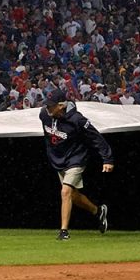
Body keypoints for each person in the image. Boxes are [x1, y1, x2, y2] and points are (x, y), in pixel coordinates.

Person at [40, 87, 113, 241]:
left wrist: (107, 159)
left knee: (65, 192)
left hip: (76, 159)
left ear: (61, 105)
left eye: (51, 105)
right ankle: (98, 211)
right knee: (73, 195)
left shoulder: (77, 119)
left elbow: (96, 137)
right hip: (58, 159)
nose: (47, 108)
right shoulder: (44, 115)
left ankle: (64, 231)